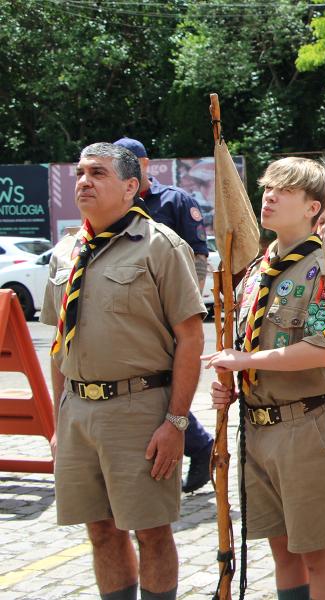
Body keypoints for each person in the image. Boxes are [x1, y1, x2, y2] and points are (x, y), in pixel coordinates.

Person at [41, 142, 205, 600]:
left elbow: (190, 338)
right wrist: (59, 419)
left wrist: (176, 422)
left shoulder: (160, 246)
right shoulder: (66, 252)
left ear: (131, 186)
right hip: (78, 413)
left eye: (98, 173)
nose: (84, 181)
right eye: (80, 173)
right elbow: (58, 345)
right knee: (100, 530)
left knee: (151, 532)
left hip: (137, 410)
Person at [203, 157, 325, 600]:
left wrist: (248, 361)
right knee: (282, 551)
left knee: (318, 552)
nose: (268, 197)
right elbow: (245, 347)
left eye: (283, 191)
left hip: (304, 427)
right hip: (257, 425)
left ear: (313, 208)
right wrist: (230, 381)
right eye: (267, 188)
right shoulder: (256, 271)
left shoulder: (322, 271)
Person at [113, 136, 215, 495]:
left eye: (131, 161)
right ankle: (199, 445)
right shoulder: (117, 203)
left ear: (145, 164)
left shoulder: (174, 200)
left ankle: (200, 445)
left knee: (167, 385)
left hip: (171, 312)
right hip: (134, 316)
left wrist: (187, 307)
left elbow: (198, 258)